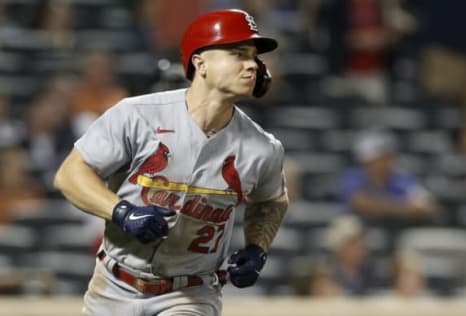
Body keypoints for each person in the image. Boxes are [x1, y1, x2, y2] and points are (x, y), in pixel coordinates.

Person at [54, 9, 288, 316]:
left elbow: (271, 202)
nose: (251, 65)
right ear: (199, 63)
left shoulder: (263, 148)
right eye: (237, 53)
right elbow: (70, 174)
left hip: (191, 293)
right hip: (113, 285)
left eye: (254, 57)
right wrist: (122, 212)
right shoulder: (137, 115)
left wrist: (257, 248)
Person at [339, 130, 437, 230]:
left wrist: (385, 208)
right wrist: (404, 208)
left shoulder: (402, 178)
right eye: (379, 158)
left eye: (387, 157)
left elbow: (426, 206)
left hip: (397, 231)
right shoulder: (354, 176)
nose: (385, 163)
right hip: (362, 230)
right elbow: (360, 203)